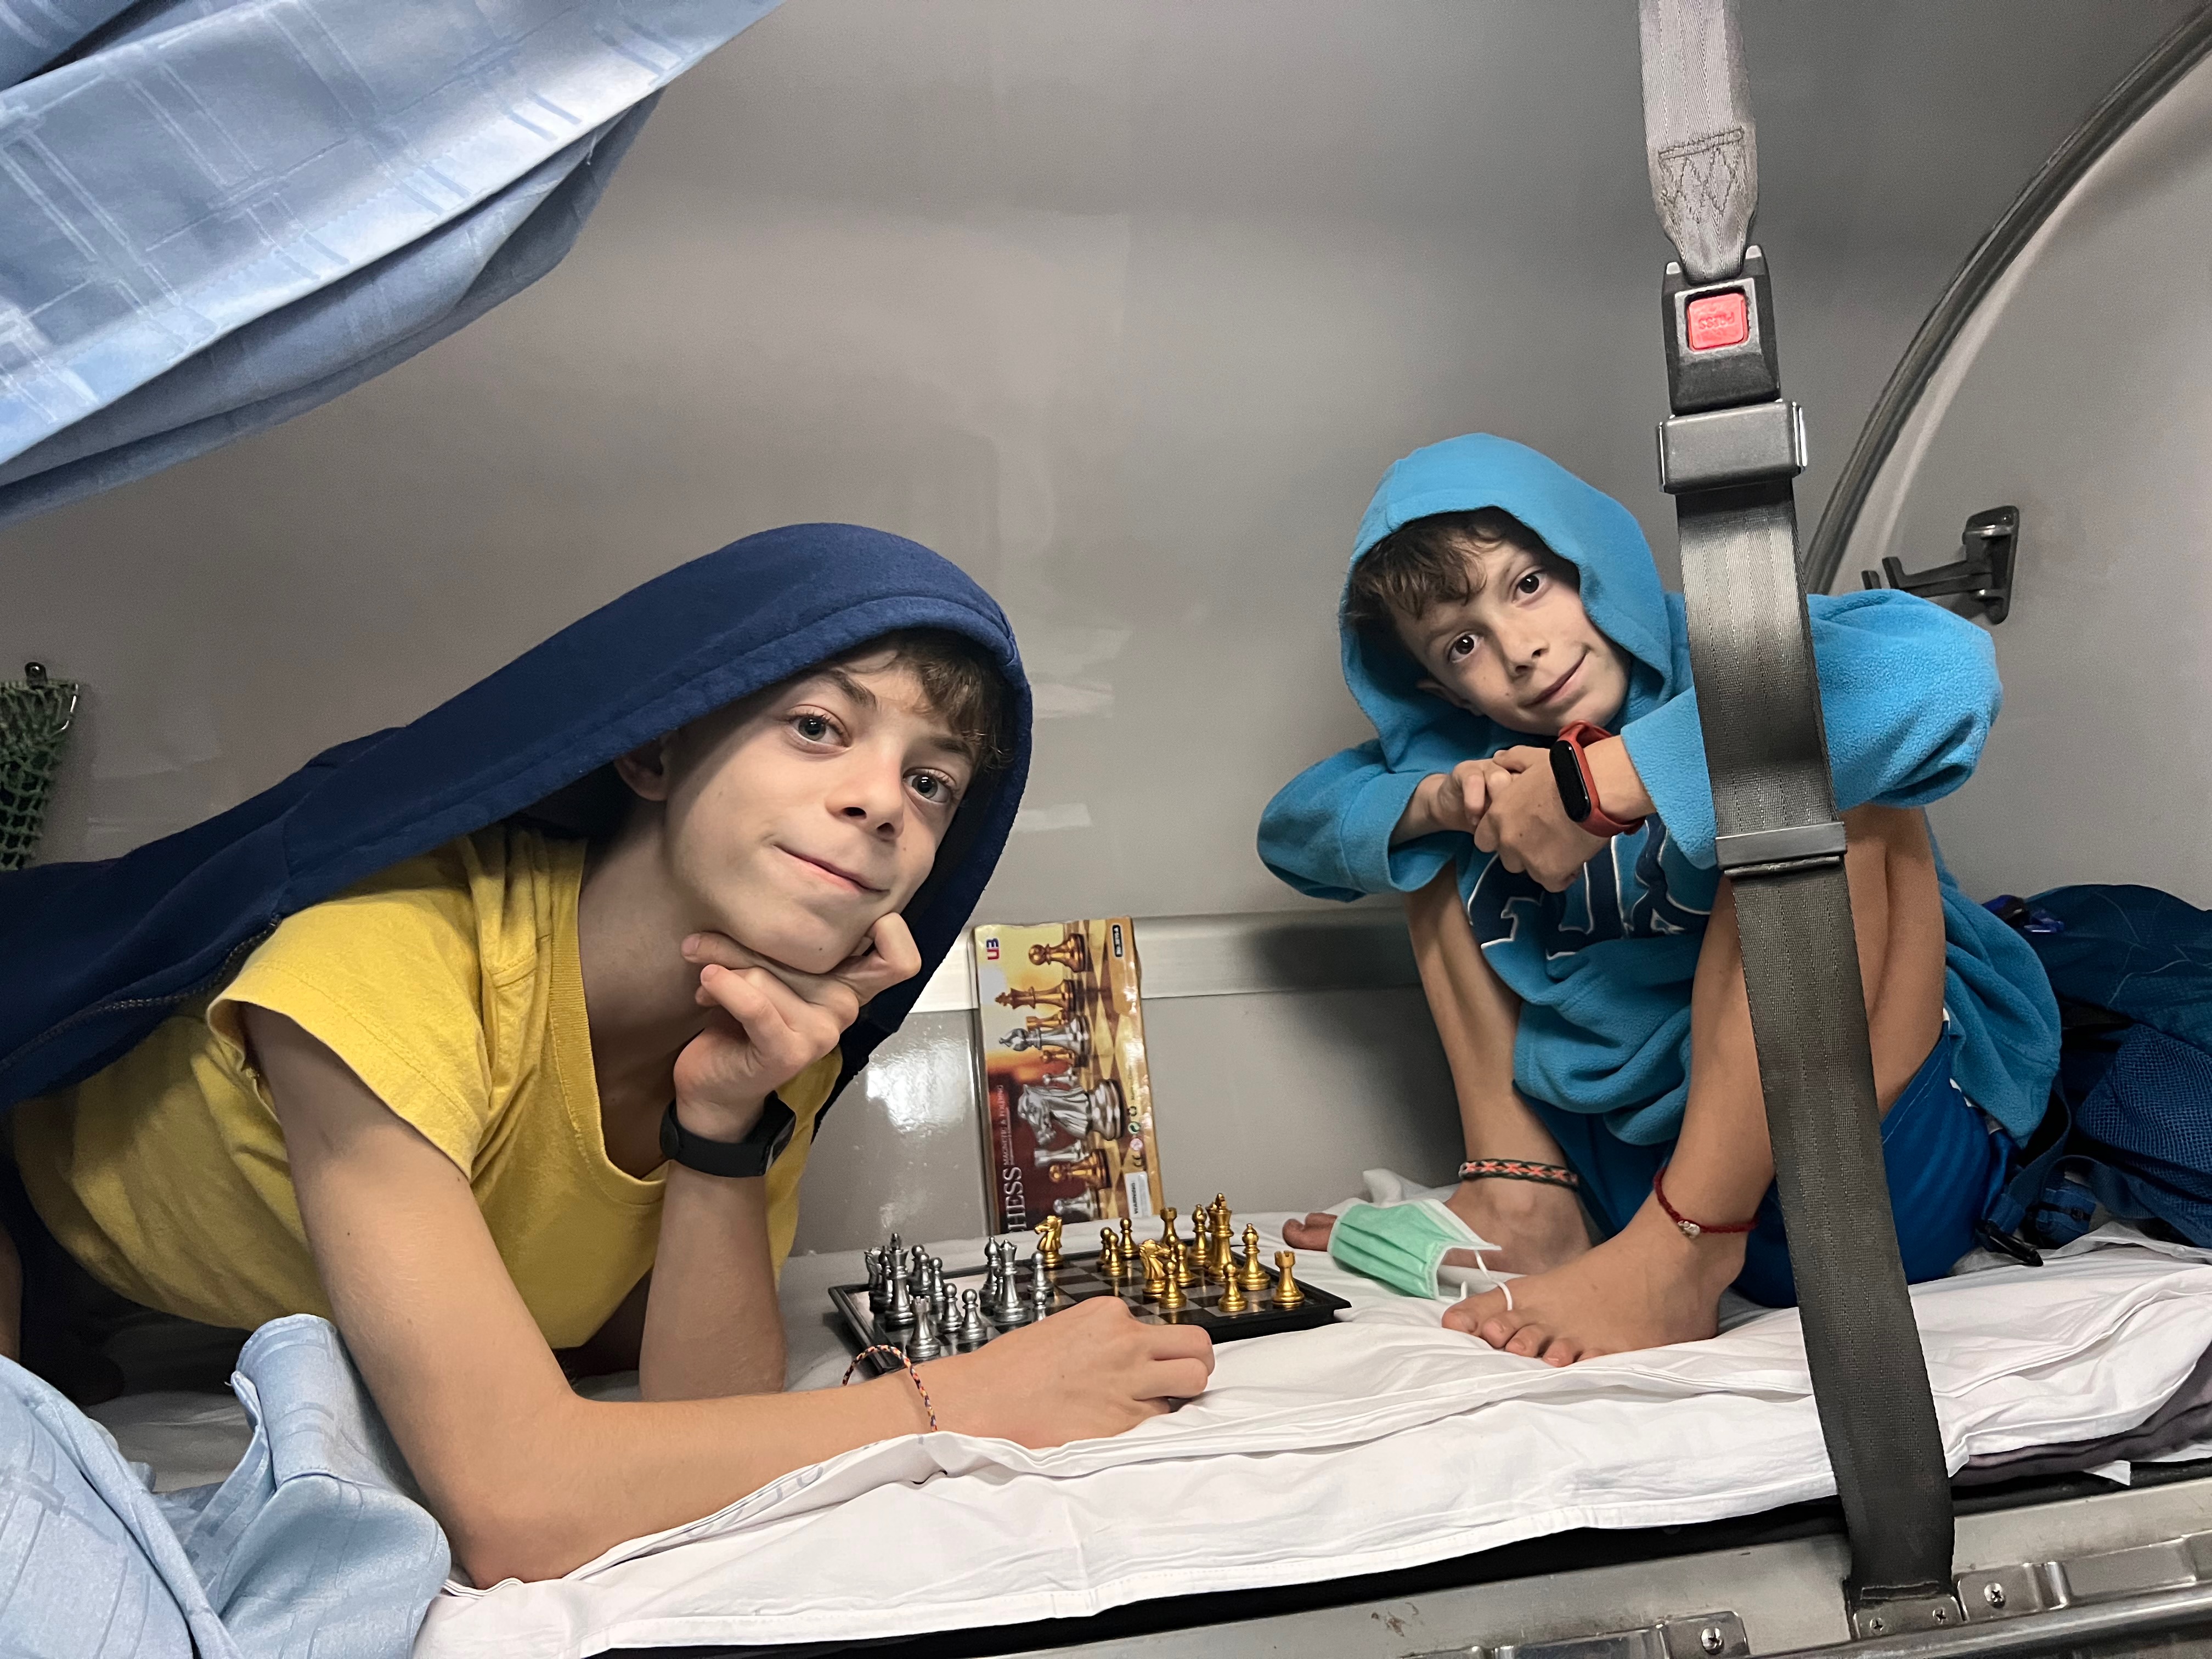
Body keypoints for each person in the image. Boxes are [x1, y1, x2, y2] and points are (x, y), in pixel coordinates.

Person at [0, 524, 1212, 1586]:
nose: (882, 801)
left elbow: (705, 1412)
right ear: (654, 752)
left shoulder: (772, 1031)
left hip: (160, 1316)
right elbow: (520, 1508)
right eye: (816, 727)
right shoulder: (397, 947)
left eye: (933, 781)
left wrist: (720, 1128)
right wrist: (963, 1403)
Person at [1260, 435, 2059, 1366]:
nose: (1521, 651)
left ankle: (1685, 1252)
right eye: (1464, 643)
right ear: (1441, 687)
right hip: (1635, 1172)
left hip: (1860, 1160)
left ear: (1592, 561)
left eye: (1529, 585)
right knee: (1433, 817)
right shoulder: (1479, 743)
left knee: (1825, 774)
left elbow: (1947, 673)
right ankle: (1525, 1204)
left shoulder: (1737, 644)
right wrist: (1442, 799)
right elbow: (1293, 831)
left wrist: (1609, 782)